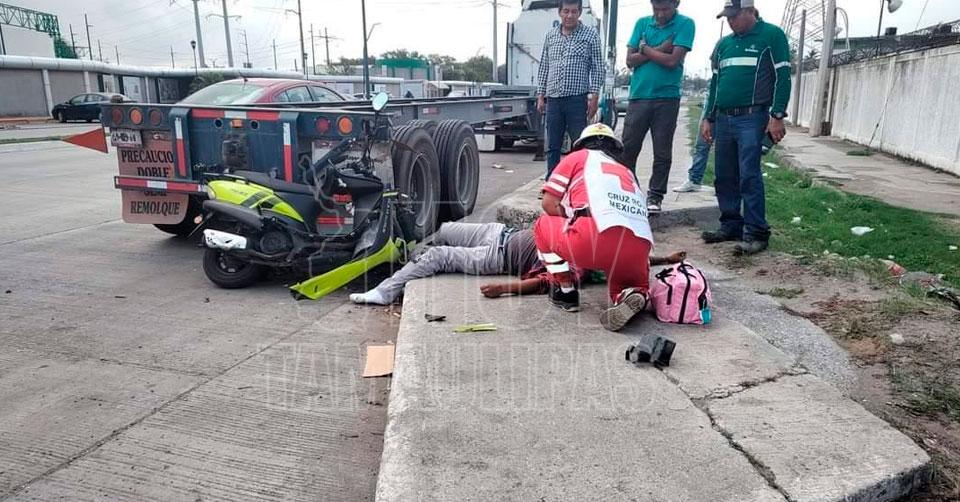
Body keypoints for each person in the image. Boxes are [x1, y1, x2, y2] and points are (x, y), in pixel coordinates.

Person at [348, 221, 684, 307]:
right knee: (445, 230)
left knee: (439, 256)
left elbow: (542, 284)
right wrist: (664, 259)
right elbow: (630, 256)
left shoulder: (577, 269)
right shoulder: (594, 243)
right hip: (498, 232)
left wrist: (503, 289)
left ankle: (384, 291)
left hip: (499, 257)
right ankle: (407, 259)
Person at [535, 123, 655, 332]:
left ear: (581, 145)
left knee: (541, 226)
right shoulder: (627, 171)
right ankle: (630, 293)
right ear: (614, 149)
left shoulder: (577, 158)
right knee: (627, 278)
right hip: (639, 245)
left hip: (592, 238)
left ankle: (565, 290)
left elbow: (548, 203)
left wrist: (570, 223)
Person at [700, 0, 791, 255]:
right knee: (724, 174)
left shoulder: (771, 35)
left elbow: (783, 77)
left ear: (751, 11)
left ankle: (756, 232)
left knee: (748, 175)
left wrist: (777, 115)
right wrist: (708, 117)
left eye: (735, 15)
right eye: (727, 17)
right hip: (724, 118)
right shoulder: (724, 45)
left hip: (752, 118)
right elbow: (715, 85)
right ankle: (731, 225)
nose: (730, 21)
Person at [621, 0, 696, 213]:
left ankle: (655, 196)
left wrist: (644, 49)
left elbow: (672, 61)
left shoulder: (685, 24)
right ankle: (628, 193)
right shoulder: (642, 23)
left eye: (665, 9)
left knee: (662, 151)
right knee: (628, 149)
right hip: (638, 97)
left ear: (676, 4)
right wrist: (659, 49)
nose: (660, 14)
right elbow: (629, 60)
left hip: (667, 98)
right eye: (656, 9)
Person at [536, 0, 604, 180]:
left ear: (580, 12)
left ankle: (578, 182)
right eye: (566, 11)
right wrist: (541, 95)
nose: (569, 16)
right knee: (553, 146)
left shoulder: (590, 35)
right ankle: (552, 182)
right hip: (554, 99)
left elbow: (597, 67)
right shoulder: (551, 36)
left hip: (577, 99)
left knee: (579, 144)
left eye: (574, 11)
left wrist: (595, 96)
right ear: (559, 12)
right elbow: (544, 65)